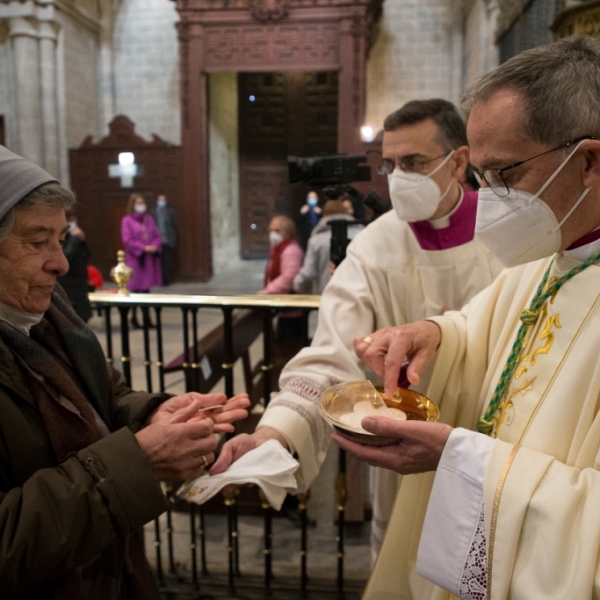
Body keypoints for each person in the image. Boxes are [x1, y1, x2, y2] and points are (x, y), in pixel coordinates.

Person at [334, 36, 600, 600]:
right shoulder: (546, 259)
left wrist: (457, 458)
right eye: (481, 176)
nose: (490, 197)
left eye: (505, 173)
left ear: (590, 161)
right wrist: (432, 333)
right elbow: (477, 328)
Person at [211, 99, 502, 556]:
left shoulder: (506, 230)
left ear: (459, 161)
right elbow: (333, 351)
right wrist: (274, 433)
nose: (398, 177)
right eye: (390, 165)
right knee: (405, 561)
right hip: (404, 448)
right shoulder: (374, 245)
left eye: (413, 162)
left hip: (495, 440)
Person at [0, 145, 250, 599]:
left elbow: (97, 393)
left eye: (60, 238)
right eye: (38, 242)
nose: (62, 262)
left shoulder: (45, 312)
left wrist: (153, 415)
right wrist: (138, 462)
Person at [293, 199, 363, 294]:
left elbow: (308, 273)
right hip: (357, 295)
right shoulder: (361, 234)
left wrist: (297, 287)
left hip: (326, 296)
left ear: (324, 215)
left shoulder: (316, 240)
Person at [259, 214, 306, 341]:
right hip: (284, 309)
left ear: (288, 231)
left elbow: (289, 277)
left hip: (291, 310)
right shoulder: (278, 249)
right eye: (271, 230)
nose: (273, 234)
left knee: (289, 343)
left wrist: (268, 290)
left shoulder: (291, 250)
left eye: (277, 231)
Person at [121, 193, 162, 328]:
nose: (141, 205)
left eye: (142, 202)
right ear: (132, 205)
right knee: (136, 290)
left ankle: (147, 319)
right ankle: (134, 318)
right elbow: (127, 240)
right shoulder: (127, 220)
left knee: (146, 291)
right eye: (138, 203)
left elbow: (156, 235)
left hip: (148, 261)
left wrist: (154, 246)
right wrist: (143, 248)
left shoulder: (149, 219)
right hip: (136, 260)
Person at [57, 214, 92, 322]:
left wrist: (81, 240)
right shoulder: (62, 240)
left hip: (79, 282)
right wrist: (74, 240)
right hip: (67, 282)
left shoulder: (76, 239)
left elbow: (87, 255)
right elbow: (67, 256)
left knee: (82, 316)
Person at [153, 194, 177, 286]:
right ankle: (157, 279)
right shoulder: (153, 212)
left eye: (163, 200)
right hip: (156, 241)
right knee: (157, 262)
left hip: (167, 240)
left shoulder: (169, 212)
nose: (161, 202)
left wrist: (173, 239)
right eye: (160, 200)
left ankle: (166, 280)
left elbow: (173, 225)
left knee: (166, 261)